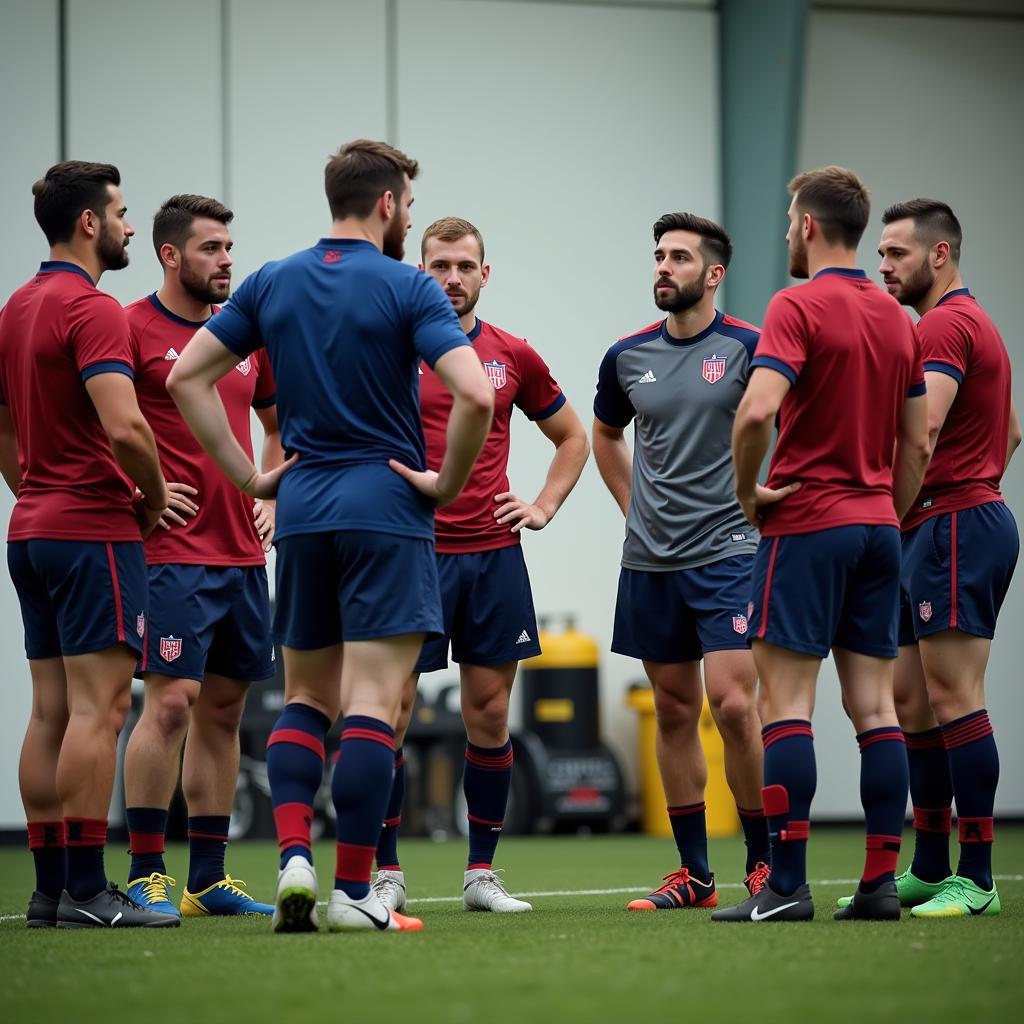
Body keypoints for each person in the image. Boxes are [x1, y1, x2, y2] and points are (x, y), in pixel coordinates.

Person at [166, 139, 494, 934]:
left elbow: (186, 379)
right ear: (386, 204)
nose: (408, 216)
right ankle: (352, 891)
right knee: (374, 707)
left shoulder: (272, 279)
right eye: (408, 205)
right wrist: (445, 486)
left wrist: (251, 479)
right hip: (387, 510)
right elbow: (476, 396)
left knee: (304, 699)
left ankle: (292, 859)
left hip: (305, 510)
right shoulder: (408, 286)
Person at [713, 166, 932, 923]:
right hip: (879, 528)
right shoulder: (900, 320)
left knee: (786, 706)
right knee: (875, 711)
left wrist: (749, 494)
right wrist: (887, 511)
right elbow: (919, 441)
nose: (785, 235)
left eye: (787, 222)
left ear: (808, 226)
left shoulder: (795, 304)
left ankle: (787, 884)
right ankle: (878, 884)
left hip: (807, 525)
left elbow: (753, 415)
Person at [370, 217, 589, 915]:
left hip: (493, 556)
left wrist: (546, 505)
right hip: (410, 553)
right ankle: (385, 872)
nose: (453, 277)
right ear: (421, 272)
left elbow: (572, 437)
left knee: (488, 714)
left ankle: (480, 874)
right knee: (391, 714)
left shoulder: (510, 355)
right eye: (440, 265)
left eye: (466, 265)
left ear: (484, 275)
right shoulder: (390, 348)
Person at [0, 161, 178, 928]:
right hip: (92, 532)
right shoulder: (93, 308)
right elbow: (127, 426)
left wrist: (35, 488)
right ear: (88, 224)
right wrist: (157, 496)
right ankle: (85, 889)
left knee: (49, 711)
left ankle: (48, 892)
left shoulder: (16, 306)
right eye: (123, 213)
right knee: (99, 711)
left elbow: (3, 429)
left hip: (32, 529)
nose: (131, 226)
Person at [593, 212, 778, 912]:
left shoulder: (752, 347)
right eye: (659, 256)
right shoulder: (626, 355)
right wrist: (630, 505)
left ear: (714, 273)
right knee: (673, 710)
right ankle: (694, 875)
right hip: (650, 560)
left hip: (732, 549)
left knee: (733, 704)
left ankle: (762, 865)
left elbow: (789, 429)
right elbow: (606, 434)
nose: (663, 267)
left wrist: (765, 504)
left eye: (678, 257)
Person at [841, 199, 1018, 918]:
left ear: (939, 255)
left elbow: (929, 426)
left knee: (953, 699)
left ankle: (976, 878)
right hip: (933, 523)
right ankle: (931, 862)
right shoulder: (955, 324)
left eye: (896, 255)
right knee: (912, 702)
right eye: (880, 254)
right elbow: (1010, 431)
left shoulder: (947, 323)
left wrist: (880, 501)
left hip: (953, 525)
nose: (883, 266)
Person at [121, 194, 285, 919]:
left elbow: (279, 428)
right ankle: (146, 871)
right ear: (170, 254)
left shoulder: (243, 333)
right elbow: (96, 427)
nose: (226, 260)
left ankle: (208, 879)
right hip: (169, 554)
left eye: (228, 246)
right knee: (171, 703)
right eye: (211, 248)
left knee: (225, 712)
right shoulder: (127, 328)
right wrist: (137, 490)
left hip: (244, 556)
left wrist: (272, 497)